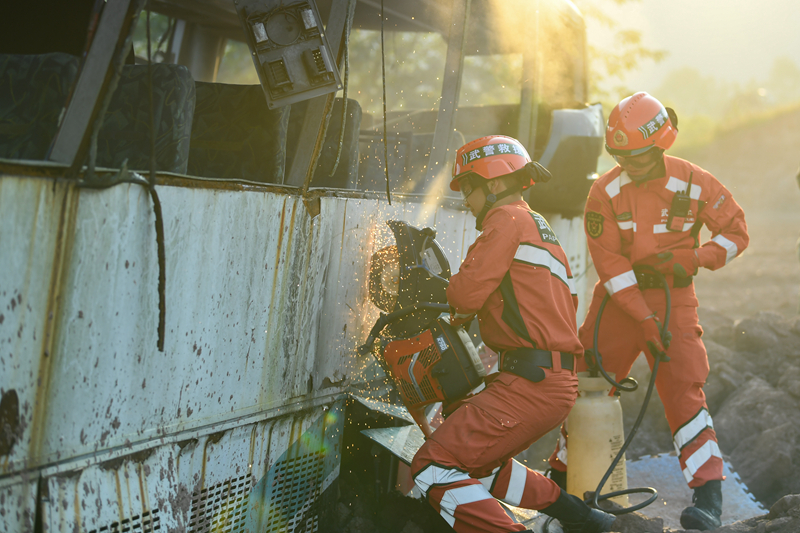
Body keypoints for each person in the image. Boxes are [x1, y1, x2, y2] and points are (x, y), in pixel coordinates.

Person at [547, 92, 749, 531]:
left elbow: (736, 233)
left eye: (637, 156)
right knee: (585, 383)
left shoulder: (695, 182)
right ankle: (559, 484)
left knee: (685, 392)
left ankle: (708, 498)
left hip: (675, 300)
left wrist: (696, 259)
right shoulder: (604, 191)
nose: (629, 165)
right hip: (618, 303)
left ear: (663, 142)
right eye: (620, 156)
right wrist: (640, 317)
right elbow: (612, 267)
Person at [410, 135, 616, 533]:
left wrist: (433, 287)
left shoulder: (505, 221)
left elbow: (466, 294)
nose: (466, 201)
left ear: (494, 184)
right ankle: (583, 518)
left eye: (468, 188)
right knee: (478, 465)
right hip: (549, 378)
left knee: (432, 467)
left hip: (532, 381)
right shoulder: (536, 225)